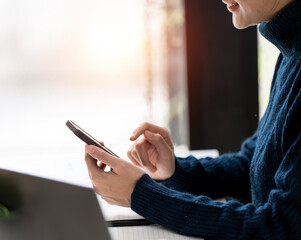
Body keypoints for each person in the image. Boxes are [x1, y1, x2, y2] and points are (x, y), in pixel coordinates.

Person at [84, 0, 301, 239]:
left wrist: (141, 195)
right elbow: (252, 165)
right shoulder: (292, 49)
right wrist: (175, 171)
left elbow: (280, 227)